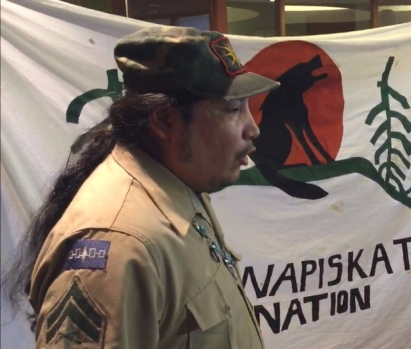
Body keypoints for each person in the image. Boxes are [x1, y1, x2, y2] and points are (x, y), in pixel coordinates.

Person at [0, 26, 279, 348]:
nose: (253, 128)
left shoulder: (177, 190)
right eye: (232, 109)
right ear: (164, 121)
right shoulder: (119, 243)